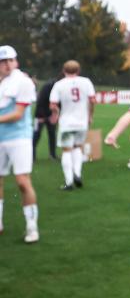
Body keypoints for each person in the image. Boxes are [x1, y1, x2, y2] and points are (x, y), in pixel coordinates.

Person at [0, 45, 40, 243]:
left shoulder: (23, 82)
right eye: (2, 61)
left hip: (19, 137)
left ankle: (32, 227)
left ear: (16, 61)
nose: (6, 65)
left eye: (10, 60)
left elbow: (17, 114)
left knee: (22, 182)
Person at [48, 60, 96, 190]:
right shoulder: (86, 82)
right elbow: (92, 100)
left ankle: (69, 182)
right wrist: (90, 115)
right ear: (78, 70)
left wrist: (56, 114)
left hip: (66, 123)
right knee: (77, 148)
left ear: (64, 71)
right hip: (82, 122)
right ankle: (77, 174)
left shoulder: (59, 84)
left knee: (66, 150)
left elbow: (52, 105)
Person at [33, 73, 62, 161]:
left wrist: (56, 114)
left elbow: (59, 103)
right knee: (36, 135)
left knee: (52, 135)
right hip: (41, 115)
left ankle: (52, 155)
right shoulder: (48, 86)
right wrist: (42, 116)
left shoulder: (60, 87)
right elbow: (41, 101)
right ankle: (31, 156)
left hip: (52, 114)